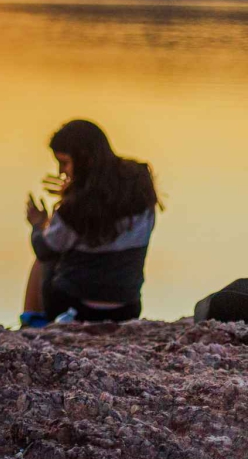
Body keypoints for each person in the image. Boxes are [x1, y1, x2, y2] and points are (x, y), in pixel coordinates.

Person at [22, 119, 159, 324]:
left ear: (84, 159)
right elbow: (106, 209)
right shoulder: (140, 187)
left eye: (64, 163)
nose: (61, 172)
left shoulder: (74, 207)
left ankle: (32, 322)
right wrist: (71, 193)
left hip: (74, 308)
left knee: (44, 257)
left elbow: (44, 249)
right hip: (127, 308)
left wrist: (38, 224)